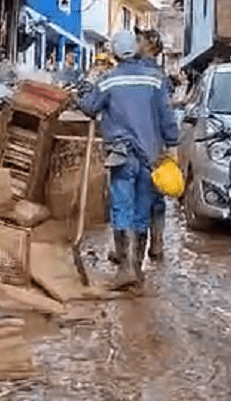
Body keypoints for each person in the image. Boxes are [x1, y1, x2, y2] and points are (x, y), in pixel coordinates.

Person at [76, 30, 179, 289]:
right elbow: (167, 118)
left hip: (121, 156)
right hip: (150, 156)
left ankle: (125, 268)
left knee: (122, 208)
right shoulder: (156, 80)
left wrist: (81, 91)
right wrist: (173, 145)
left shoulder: (108, 80)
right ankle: (137, 269)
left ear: (113, 53)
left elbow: (90, 107)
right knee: (142, 211)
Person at [134, 26, 174, 262]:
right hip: (155, 145)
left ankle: (132, 254)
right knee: (156, 196)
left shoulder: (135, 72)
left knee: (136, 197)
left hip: (136, 145)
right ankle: (156, 245)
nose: (136, 43)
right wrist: (171, 145)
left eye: (139, 40)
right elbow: (167, 115)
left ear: (150, 45)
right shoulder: (161, 78)